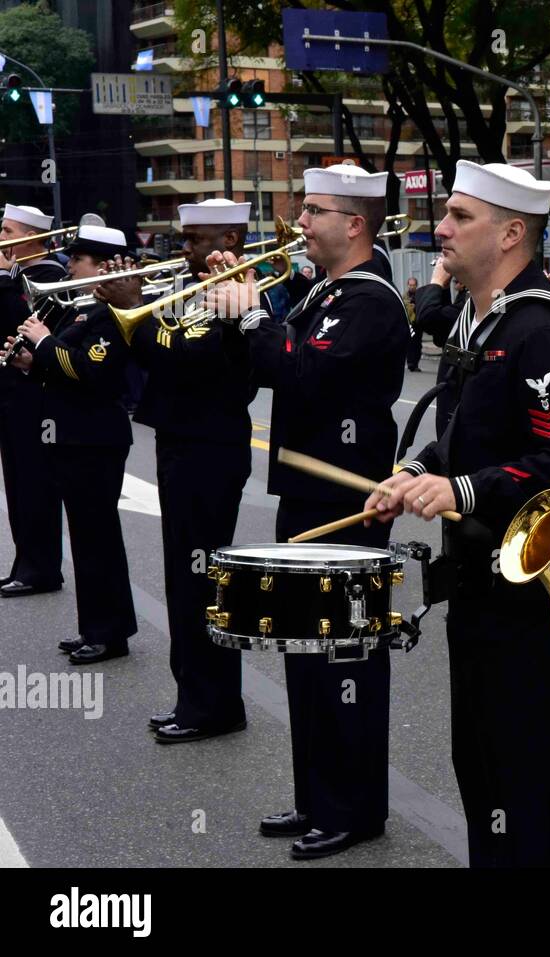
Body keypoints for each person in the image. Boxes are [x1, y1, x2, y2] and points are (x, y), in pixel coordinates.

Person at [365, 161, 550, 867]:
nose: (441, 227)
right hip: (477, 590)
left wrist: (463, 489)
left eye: (461, 217)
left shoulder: (543, 331)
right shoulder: (479, 319)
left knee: (526, 787)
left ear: (511, 233)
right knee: (483, 773)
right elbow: (467, 429)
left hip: (530, 606)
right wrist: (414, 469)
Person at [206, 165, 409, 860]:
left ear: (354, 223)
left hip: (348, 500)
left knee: (344, 657)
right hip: (305, 491)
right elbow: (266, 370)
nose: (299, 220)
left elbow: (305, 374)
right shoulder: (323, 291)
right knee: (305, 651)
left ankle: (355, 808)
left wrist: (257, 316)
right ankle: (318, 793)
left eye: (313, 209)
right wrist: (236, 319)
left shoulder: (371, 300)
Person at [105, 198, 258, 742]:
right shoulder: (201, 290)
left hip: (208, 452)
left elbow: (178, 357)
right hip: (183, 446)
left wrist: (136, 308)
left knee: (200, 582)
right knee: (184, 579)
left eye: (197, 238)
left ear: (231, 242)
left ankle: (212, 705)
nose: (185, 248)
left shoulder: (237, 294)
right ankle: (195, 696)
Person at [4, 226, 138, 663]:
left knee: (99, 540)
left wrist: (43, 342)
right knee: (85, 539)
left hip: (96, 438)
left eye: (77, 260)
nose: (70, 267)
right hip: (75, 436)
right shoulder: (84, 311)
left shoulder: (113, 313)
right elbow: (61, 370)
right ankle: (94, 627)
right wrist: (29, 361)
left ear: (102, 265)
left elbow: (91, 372)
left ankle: (110, 632)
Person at [0, 204, 65, 597]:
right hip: (10, 393)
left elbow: (17, 323)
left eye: (8, 232)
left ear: (31, 238)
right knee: (16, 484)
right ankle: (25, 562)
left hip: (35, 396)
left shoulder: (48, 276)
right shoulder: (17, 275)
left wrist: (7, 279)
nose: (2, 239)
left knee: (35, 484)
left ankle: (41, 568)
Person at [405, 275, 422, 371]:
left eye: (413, 285)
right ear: (408, 285)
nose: (412, 287)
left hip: (418, 323)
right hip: (409, 323)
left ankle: (415, 364)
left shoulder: (420, 295)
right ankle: (411, 363)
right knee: (410, 343)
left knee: (417, 344)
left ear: (416, 285)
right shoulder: (405, 296)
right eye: (410, 285)